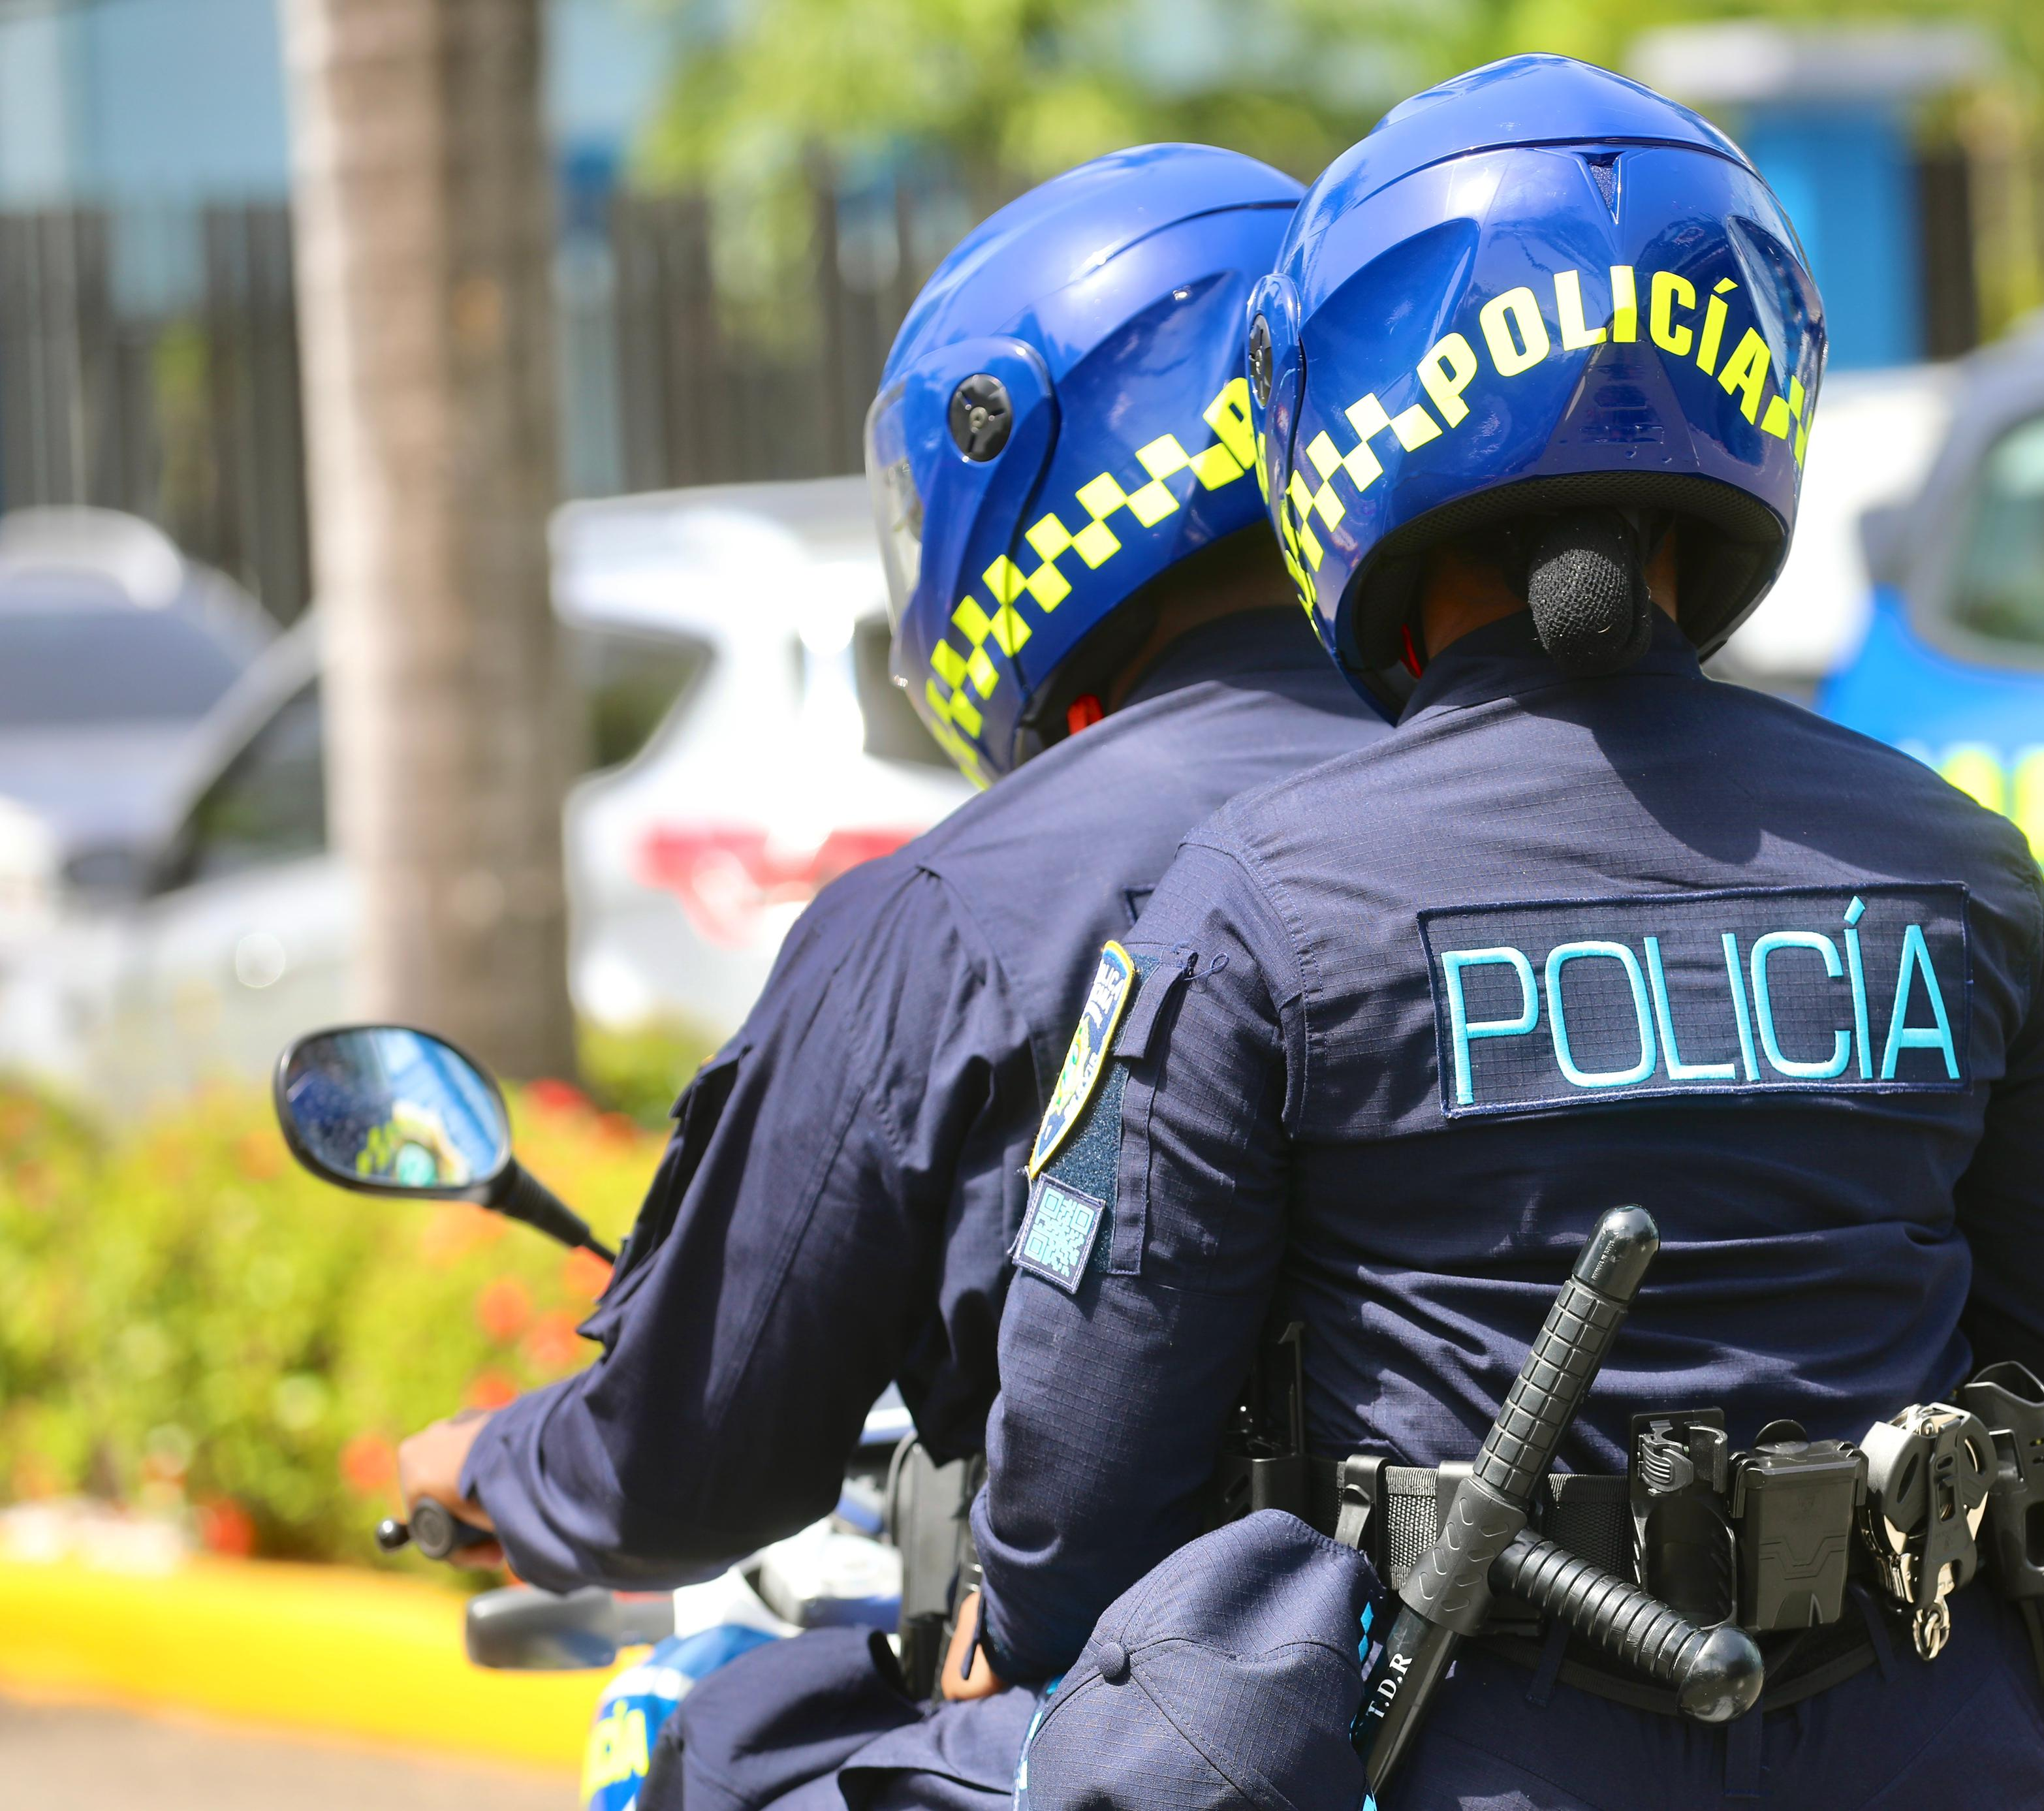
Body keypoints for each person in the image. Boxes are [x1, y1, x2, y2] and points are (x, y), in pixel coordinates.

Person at [964, 57, 2044, 1810]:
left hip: (1485, 1753)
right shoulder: (1959, 863)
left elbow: (1077, 1484)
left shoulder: (1263, 895)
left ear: (1345, 426)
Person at [386, 144, 1382, 1807]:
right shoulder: (1543, 806)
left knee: (724, 1745)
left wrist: (491, 1459)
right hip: (1609, 1695)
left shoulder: (963, 907)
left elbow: (694, 1443)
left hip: (1162, 1723)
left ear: (1020, 458)